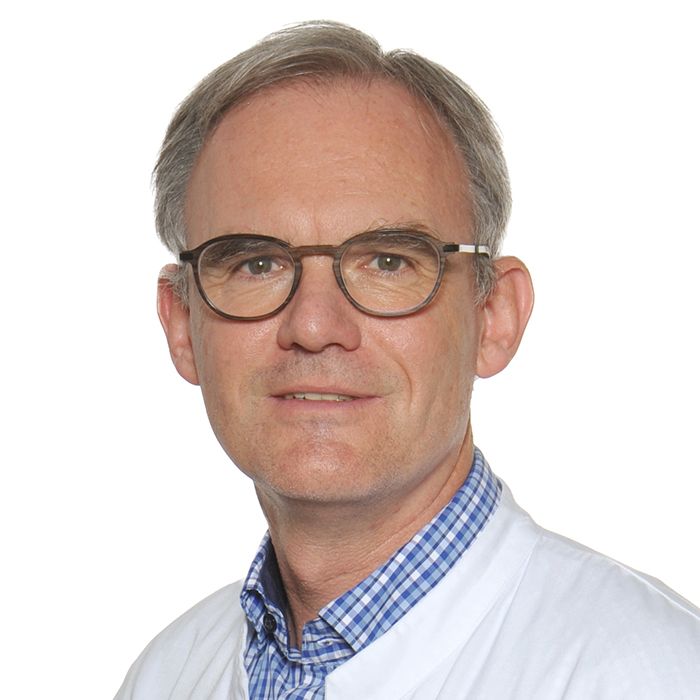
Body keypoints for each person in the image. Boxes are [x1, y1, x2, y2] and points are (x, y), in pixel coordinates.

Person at [115, 20, 700, 700]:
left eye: (388, 262)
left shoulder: (650, 675)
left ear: (494, 316)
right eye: (256, 263)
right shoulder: (165, 676)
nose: (314, 326)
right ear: (181, 325)